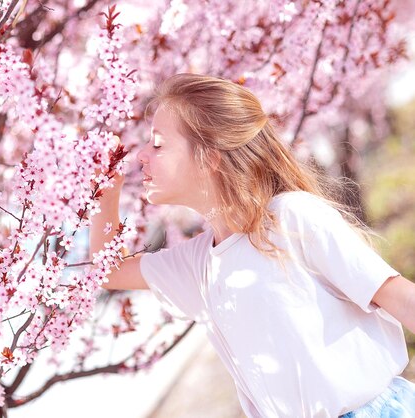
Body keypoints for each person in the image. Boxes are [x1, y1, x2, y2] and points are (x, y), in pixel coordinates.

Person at [89, 73, 415, 417]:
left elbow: (397, 295)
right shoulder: (199, 265)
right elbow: (107, 271)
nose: (141, 155)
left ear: (209, 157)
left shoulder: (291, 218)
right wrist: (107, 192)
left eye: (157, 144)